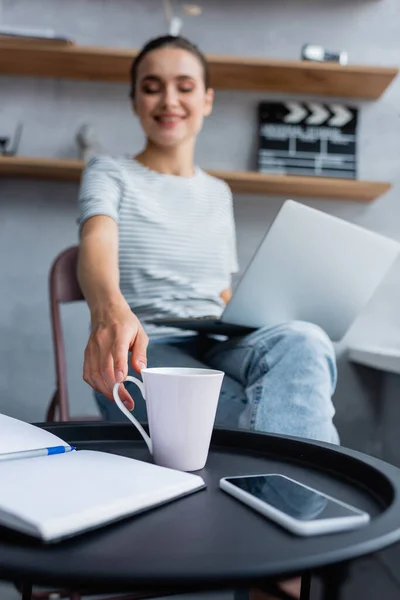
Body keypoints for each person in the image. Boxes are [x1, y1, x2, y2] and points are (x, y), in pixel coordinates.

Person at [77, 34, 339, 444]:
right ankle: (297, 505)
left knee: (305, 339)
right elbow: (96, 242)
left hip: (216, 342)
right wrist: (107, 311)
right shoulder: (109, 172)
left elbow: (220, 291)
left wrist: (260, 311)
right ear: (134, 102)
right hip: (145, 350)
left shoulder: (219, 193)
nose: (168, 100)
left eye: (184, 87)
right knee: (265, 408)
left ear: (207, 99)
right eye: (151, 88)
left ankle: (281, 504)